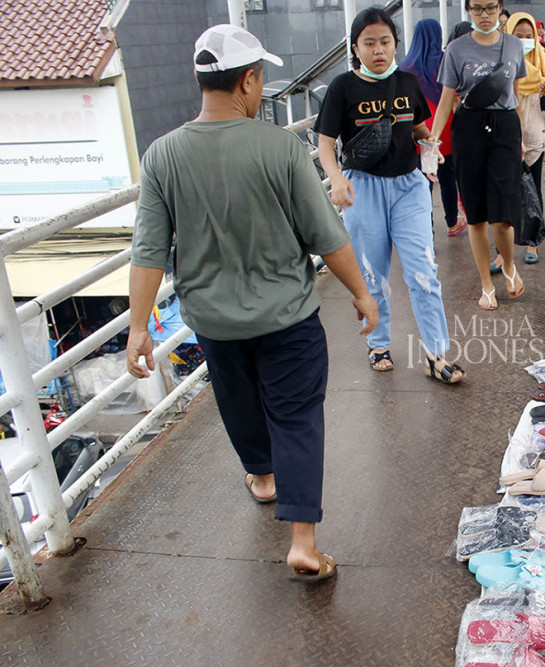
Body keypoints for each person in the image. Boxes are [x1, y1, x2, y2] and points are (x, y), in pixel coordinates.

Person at [128, 24, 378, 583]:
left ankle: (262, 479)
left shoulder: (162, 155)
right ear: (247, 80)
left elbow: (148, 250)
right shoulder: (280, 148)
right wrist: (361, 294)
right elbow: (326, 236)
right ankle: (304, 544)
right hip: (286, 317)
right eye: (261, 79)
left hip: (213, 321)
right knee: (296, 418)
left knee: (238, 403)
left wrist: (139, 327)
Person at [315, 8, 464, 383]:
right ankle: (378, 343)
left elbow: (416, 126)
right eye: (369, 43)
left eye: (385, 41)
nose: (378, 50)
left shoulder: (407, 83)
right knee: (373, 273)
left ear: (395, 44)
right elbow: (325, 143)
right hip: (361, 187)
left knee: (423, 272)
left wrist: (430, 144)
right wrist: (335, 178)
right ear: (355, 47)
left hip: (408, 185)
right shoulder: (342, 88)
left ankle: (436, 354)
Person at [430, 0, 528, 310]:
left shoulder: (514, 45)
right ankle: (487, 285)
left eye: (489, 8)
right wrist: (432, 141)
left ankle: (509, 266)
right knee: (475, 215)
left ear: (500, 7)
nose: (484, 15)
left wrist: (521, 137)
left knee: (503, 215)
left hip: (505, 128)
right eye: (477, 9)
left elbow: (516, 93)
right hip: (469, 127)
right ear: (468, 10)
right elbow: (447, 100)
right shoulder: (456, 50)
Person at [488, 12, 545, 269]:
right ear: (507, 35)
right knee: (504, 195)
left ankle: (532, 243)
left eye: (529, 37)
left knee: (532, 191)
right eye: (517, 36)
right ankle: (502, 252)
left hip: (533, 137)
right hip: (506, 140)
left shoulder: (541, 65)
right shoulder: (499, 66)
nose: (523, 41)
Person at [399, 18, 466, 237]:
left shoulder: (405, 67)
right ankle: (451, 223)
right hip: (444, 130)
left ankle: (426, 231)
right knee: (448, 179)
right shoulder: (446, 60)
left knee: (422, 183)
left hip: (417, 131)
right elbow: (454, 98)